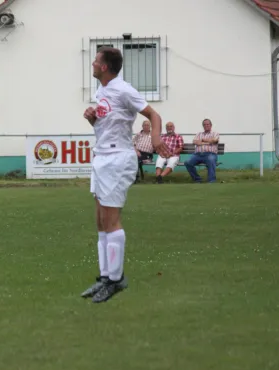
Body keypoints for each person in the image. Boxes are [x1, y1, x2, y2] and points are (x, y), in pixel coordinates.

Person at [81, 47, 169, 303]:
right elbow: (107, 125)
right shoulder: (103, 91)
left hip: (117, 159)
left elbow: (153, 114)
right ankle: (105, 277)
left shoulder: (123, 89)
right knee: (100, 221)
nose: (93, 64)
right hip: (102, 157)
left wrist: (155, 136)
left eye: (96, 61)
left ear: (105, 67)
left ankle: (117, 281)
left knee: (111, 220)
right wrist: (92, 119)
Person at [185, 118, 220, 183]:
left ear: (211, 125)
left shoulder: (215, 133)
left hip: (210, 154)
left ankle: (211, 181)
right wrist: (208, 142)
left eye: (207, 124)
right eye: (204, 124)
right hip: (197, 155)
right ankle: (197, 179)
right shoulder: (199, 134)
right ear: (203, 126)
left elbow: (214, 140)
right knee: (187, 162)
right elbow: (195, 142)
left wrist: (202, 140)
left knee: (211, 160)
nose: (206, 126)